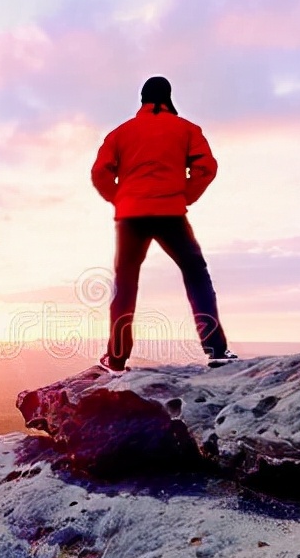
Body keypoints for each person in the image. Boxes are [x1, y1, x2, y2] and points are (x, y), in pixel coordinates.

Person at [90, 76, 237, 372]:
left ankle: (116, 358)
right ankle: (216, 350)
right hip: (171, 212)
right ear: (169, 96)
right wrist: (184, 194)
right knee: (196, 274)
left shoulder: (120, 134)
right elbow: (206, 167)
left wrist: (120, 198)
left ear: (142, 98)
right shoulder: (186, 130)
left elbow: (99, 172)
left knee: (125, 283)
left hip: (130, 216)